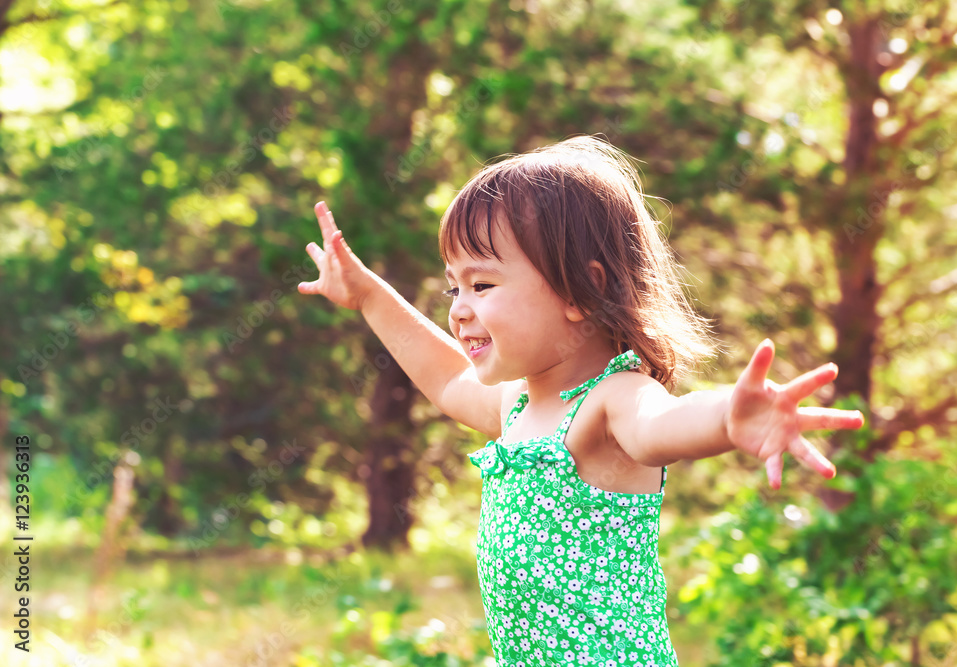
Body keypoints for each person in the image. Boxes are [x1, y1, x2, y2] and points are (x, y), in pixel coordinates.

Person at [297, 135, 865, 666]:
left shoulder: (611, 399)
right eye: (455, 287)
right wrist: (369, 295)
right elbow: (446, 380)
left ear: (579, 291)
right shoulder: (514, 406)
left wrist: (728, 417)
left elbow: (660, 423)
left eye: (483, 285)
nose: (459, 308)